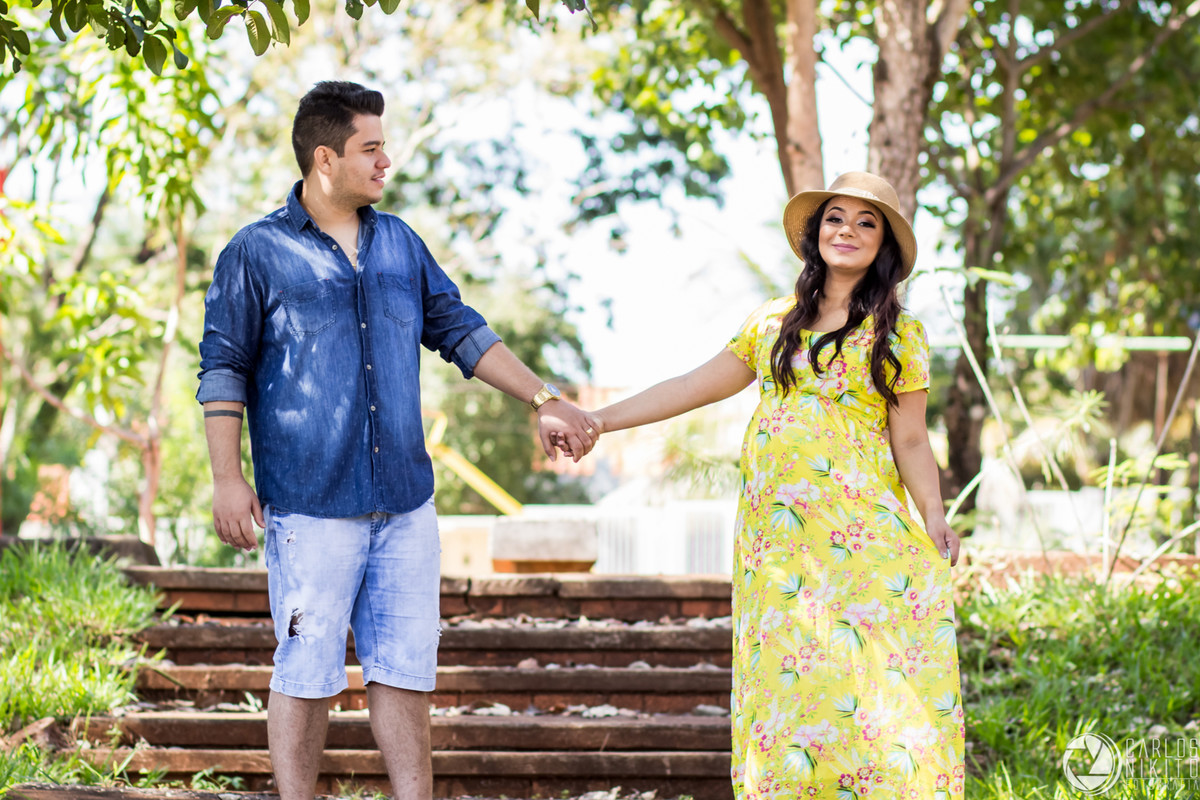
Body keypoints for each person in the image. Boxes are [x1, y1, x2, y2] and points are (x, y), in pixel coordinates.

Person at [195, 80, 595, 800]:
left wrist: (544, 397)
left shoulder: (400, 243)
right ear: (325, 158)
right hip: (310, 505)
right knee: (307, 668)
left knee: (407, 670)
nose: (387, 160)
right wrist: (227, 479)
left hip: (406, 504)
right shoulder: (256, 253)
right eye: (370, 147)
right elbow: (223, 367)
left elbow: (460, 328)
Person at [579, 172, 965, 799]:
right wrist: (601, 419)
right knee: (790, 677)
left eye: (867, 223)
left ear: (883, 245)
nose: (848, 230)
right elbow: (690, 385)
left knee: (874, 679)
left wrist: (934, 515)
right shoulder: (772, 322)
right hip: (778, 548)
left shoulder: (898, 335)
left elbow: (913, 441)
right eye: (836, 217)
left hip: (864, 540)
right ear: (817, 233)